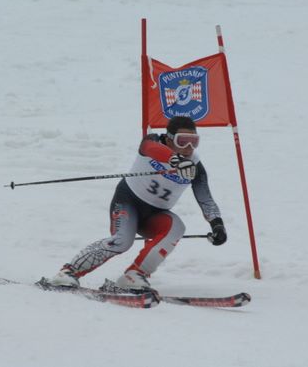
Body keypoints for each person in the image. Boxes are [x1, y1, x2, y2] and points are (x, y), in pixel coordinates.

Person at [46, 116, 227, 291]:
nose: (189, 147)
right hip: (128, 202)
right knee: (123, 241)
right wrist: (174, 160)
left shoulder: (195, 167)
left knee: (177, 227)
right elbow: (150, 148)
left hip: (154, 215)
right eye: (183, 141)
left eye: (194, 142)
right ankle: (68, 272)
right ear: (169, 139)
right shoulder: (152, 141)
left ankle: (134, 275)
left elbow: (206, 199)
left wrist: (217, 224)